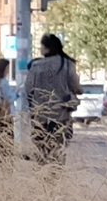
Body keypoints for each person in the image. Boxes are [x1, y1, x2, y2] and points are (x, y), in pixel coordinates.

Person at [22, 32, 80, 163]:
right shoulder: (67, 64)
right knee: (58, 148)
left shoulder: (35, 66)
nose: (40, 49)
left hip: (40, 115)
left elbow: (28, 88)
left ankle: (42, 175)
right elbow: (74, 85)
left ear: (47, 48)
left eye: (41, 46)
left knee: (41, 149)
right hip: (61, 114)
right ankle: (56, 175)